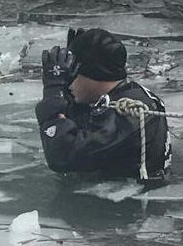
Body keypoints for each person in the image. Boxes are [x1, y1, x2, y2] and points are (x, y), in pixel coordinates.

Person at [35, 28, 171, 187]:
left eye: (72, 75)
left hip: (128, 197)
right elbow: (81, 121)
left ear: (91, 73)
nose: (69, 82)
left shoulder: (128, 115)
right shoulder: (126, 94)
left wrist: (54, 92)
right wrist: (64, 91)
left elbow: (63, 157)